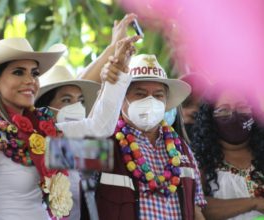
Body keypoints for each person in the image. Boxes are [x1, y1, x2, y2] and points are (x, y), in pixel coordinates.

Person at [0, 36, 136, 220]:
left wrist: (119, 74)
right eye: (19, 72)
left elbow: (100, 129)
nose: (30, 80)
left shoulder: (45, 134)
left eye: (34, 73)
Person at [94, 54, 207, 220]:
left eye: (158, 95)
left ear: (166, 101)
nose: (150, 100)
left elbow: (196, 210)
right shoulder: (104, 145)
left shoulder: (183, 151)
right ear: (121, 99)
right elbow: (54, 155)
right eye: (140, 94)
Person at [35, 65, 101, 220]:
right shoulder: (37, 145)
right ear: (45, 107)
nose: (76, 106)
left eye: (81, 101)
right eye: (66, 100)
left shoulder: (88, 147)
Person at [192, 88, 264, 219]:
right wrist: (254, 203)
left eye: (242, 107)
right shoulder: (199, 160)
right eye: (224, 110)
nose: (234, 115)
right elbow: (197, 207)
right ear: (210, 118)